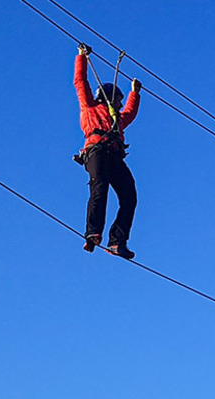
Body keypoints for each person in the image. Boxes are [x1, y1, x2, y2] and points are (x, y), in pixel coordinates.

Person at [74, 43, 142, 259]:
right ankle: (92, 232)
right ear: (108, 97)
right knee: (99, 189)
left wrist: (135, 93)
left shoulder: (117, 119)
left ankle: (117, 241)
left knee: (129, 196)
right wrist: (81, 58)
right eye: (119, 100)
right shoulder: (90, 107)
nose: (120, 104)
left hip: (113, 155)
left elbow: (129, 114)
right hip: (97, 152)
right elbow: (80, 82)